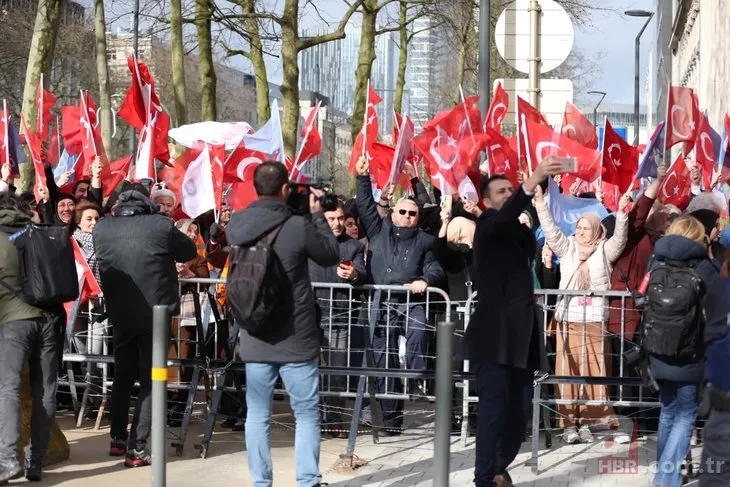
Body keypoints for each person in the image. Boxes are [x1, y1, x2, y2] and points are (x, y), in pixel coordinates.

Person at [226, 161, 339, 487]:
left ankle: (261, 483)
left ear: (256, 187)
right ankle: (307, 481)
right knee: (305, 413)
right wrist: (316, 214)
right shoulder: (297, 225)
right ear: (286, 189)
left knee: (258, 413)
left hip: (254, 331)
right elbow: (330, 255)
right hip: (295, 335)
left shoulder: (238, 223)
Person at [465, 157, 563, 487]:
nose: (508, 194)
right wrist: (531, 180)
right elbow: (502, 219)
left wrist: (533, 206)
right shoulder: (488, 225)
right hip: (494, 339)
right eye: (501, 191)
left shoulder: (518, 231)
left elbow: (525, 235)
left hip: (521, 339)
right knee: (493, 411)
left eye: (510, 188)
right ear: (487, 200)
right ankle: (485, 477)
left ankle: (497, 466)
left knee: (518, 414)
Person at [93, 188, 197, 467]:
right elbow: (187, 249)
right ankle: (137, 448)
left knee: (123, 376)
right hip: (157, 312)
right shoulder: (160, 225)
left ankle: (117, 439)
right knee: (152, 379)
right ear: (147, 206)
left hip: (120, 312)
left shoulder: (102, 228)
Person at [354, 155, 444, 433]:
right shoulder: (379, 231)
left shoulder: (425, 241)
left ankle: (417, 379)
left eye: (412, 213)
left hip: (411, 303)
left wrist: (425, 281)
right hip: (380, 305)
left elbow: (435, 269)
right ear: (393, 215)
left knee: (418, 331)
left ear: (418, 218)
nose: (406, 216)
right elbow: (366, 205)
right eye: (402, 212)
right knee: (385, 361)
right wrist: (361, 177)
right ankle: (392, 423)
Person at [534, 184, 630, 444]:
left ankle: (592, 422)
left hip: (595, 321)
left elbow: (620, 239)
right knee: (568, 372)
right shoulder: (567, 249)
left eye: (585, 229)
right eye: (578, 228)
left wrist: (621, 215)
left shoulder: (604, 252)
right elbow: (552, 232)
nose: (579, 232)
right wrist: (541, 203)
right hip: (569, 321)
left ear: (597, 231)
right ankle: (568, 424)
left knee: (595, 372)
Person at [647, 216, 725, 487]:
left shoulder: (656, 260)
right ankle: (666, 478)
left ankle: (664, 474)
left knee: (668, 411)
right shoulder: (704, 266)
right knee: (685, 415)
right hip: (691, 353)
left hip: (658, 350)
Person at [0, 193, 61, 483]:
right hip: (51, 318)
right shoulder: (38, 233)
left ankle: (8, 459)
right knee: (45, 389)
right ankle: (36, 460)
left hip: (14, 321)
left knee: (9, 387)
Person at [309, 202, 366, 438]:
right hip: (309, 315)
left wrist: (354, 275)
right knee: (309, 371)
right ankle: (311, 419)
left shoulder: (353, 246)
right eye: (331, 218)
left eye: (340, 218)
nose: (337, 223)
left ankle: (333, 419)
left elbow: (362, 273)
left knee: (337, 372)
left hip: (338, 316)